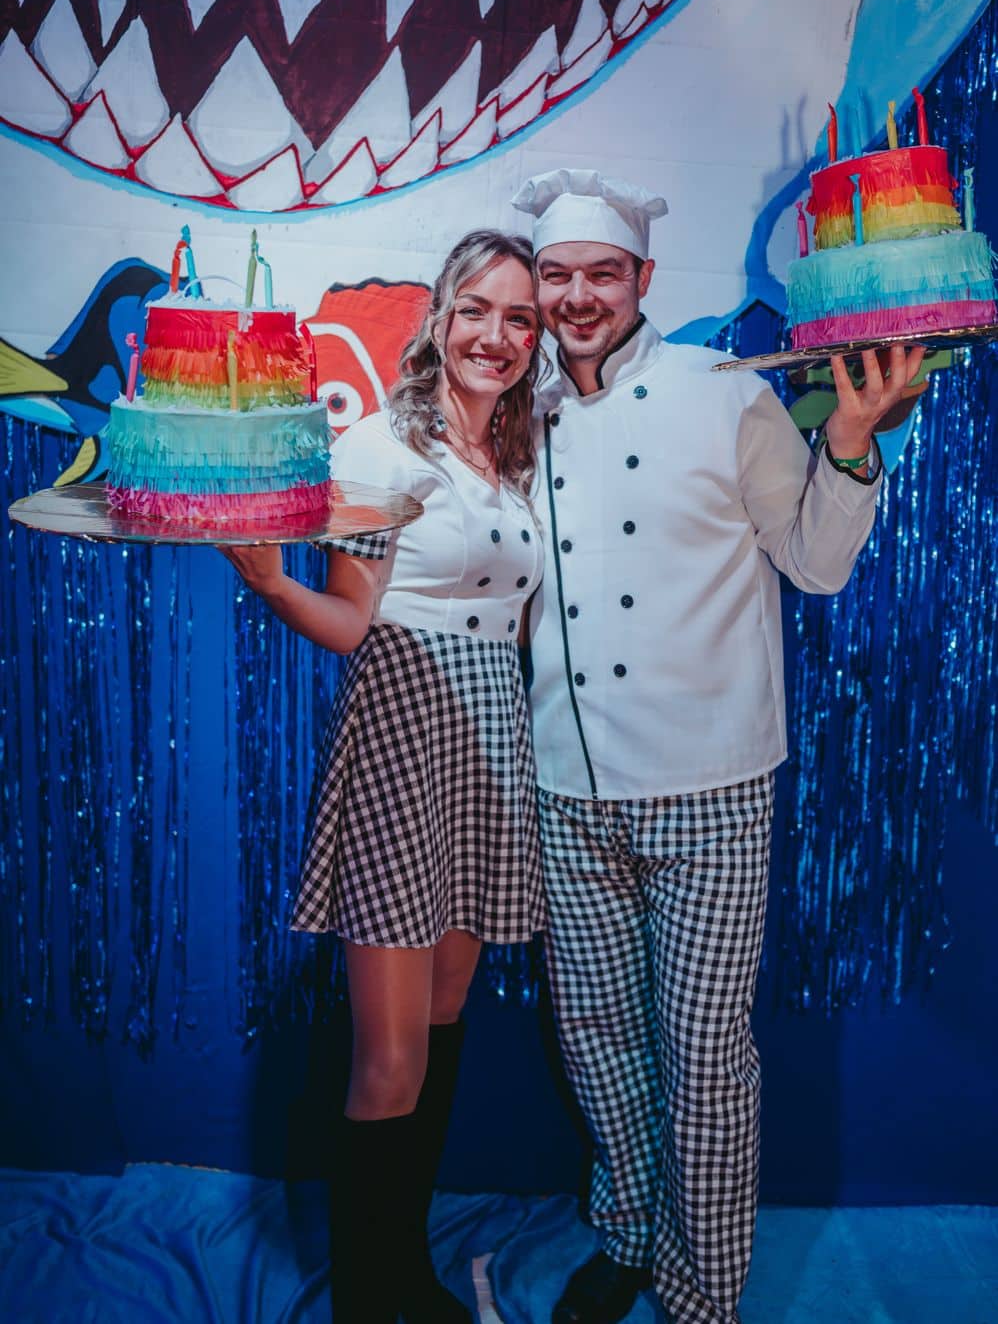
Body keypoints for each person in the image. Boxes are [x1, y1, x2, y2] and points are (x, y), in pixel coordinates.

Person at [511, 169, 926, 1324]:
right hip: (565, 783)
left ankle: (702, 1290)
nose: (577, 297)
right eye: (556, 275)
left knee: (701, 1058)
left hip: (711, 785)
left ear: (642, 278)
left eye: (601, 274)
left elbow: (814, 562)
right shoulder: (513, 413)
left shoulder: (719, 391)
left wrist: (848, 443)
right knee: (596, 1037)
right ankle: (626, 1233)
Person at [225, 229, 547, 1324]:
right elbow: (350, 623)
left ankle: (404, 1265)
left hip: (492, 745)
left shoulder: (516, 455)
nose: (496, 336)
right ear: (441, 317)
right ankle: (365, 1298)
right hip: (405, 736)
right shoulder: (376, 447)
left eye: (518, 318)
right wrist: (274, 586)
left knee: (447, 1015)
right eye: (478, 311)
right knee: (390, 1058)